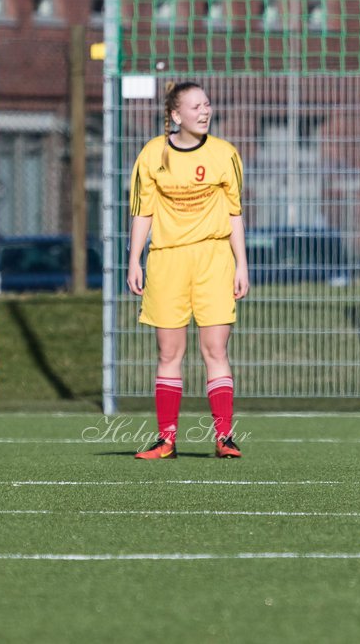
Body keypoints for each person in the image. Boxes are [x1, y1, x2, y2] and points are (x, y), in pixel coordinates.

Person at [126, 81, 248, 460]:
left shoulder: (224, 154)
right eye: (195, 107)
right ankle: (166, 441)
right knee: (169, 352)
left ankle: (224, 438)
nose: (204, 111)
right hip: (167, 261)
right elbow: (143, 211)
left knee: (215, 349)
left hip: (214, 260)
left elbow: (234, 213)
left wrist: (242, 263)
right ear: (176, 115)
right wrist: (134, 259)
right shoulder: (152, 154)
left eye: (207, 104)